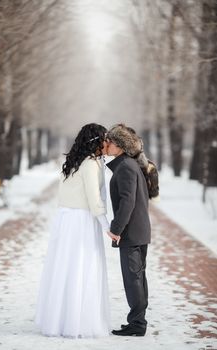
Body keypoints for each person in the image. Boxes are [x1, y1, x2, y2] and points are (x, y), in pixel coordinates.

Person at [35, 123, 111, 338]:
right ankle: (77, 322)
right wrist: (107, 227)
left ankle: (60, 318)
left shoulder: (75, 162)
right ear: (96, 141)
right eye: (105, 138)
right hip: (81, 220)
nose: (107, 142)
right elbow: (94, 199)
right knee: (81, 267)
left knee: (65, 268)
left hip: (66, 218)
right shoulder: (90, 164)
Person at [106, 124, 151, 337]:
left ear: (121, 146)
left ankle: (137, 324)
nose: (107, 145)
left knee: (133, 278)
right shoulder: (129, 164)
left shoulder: (125, 167)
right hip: (138, 230)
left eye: (111, 142)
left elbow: (128, 201)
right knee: (138, 277)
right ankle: (137, 321)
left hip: (132, 232)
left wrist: (116, 229)